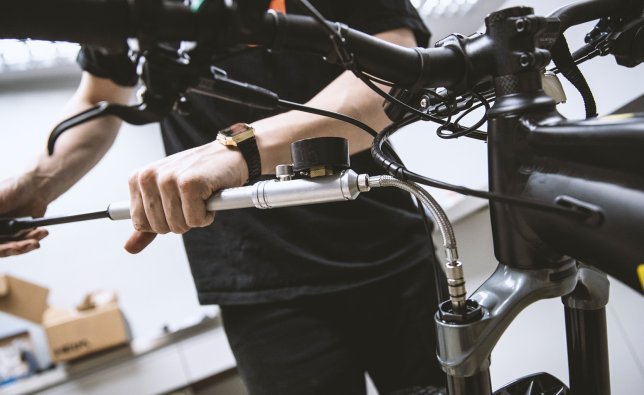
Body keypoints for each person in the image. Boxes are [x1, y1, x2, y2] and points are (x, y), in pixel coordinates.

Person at [0, 1, 446, 393]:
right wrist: (37, 183)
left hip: (384, 248)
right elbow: (101, 93)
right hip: (255, 280)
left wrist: (239, 150)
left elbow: (392, 65)